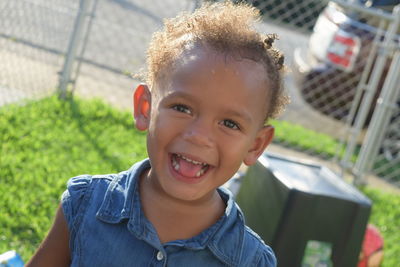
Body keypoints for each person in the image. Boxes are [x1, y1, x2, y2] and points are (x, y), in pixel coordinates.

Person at [27, 1, 287, 266]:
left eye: (230, 124)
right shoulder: (85, 204)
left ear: (256, 145)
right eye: (182, 108)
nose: (199, 135)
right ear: (145, 107)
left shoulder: (251, 261)